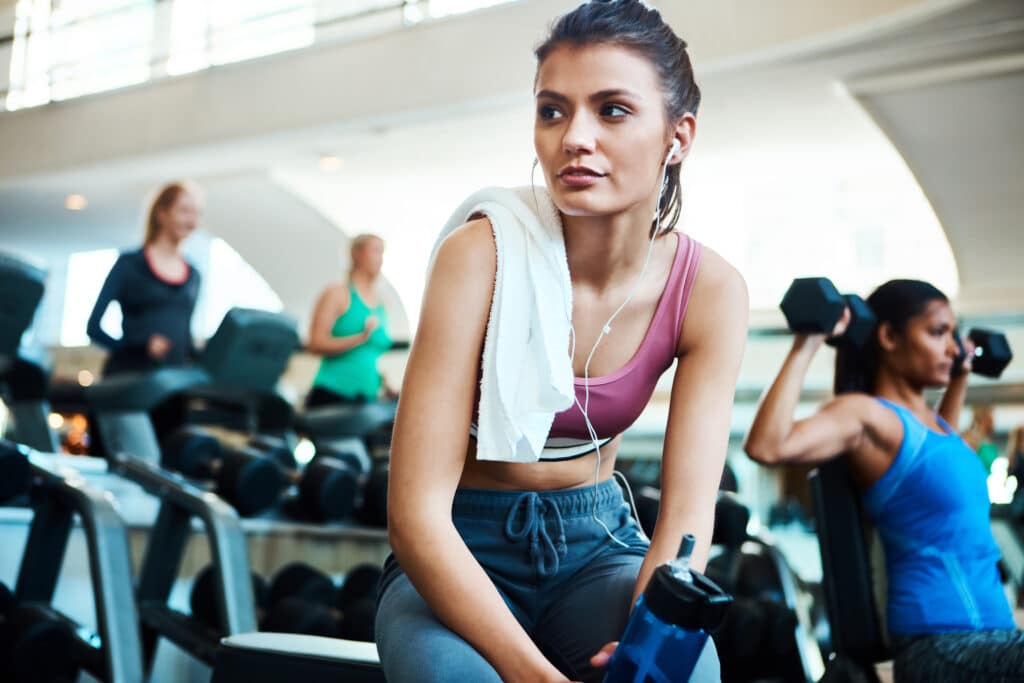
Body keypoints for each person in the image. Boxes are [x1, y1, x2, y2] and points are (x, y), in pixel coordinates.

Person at [376, 2, 748, 682]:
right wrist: (534, 674)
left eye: (611, 110)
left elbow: (689, 515)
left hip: (599, 545)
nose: (575, 136)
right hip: (459, 546)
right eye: (553, 111)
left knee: (685, 672)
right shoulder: (479, 255)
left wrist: (647, 635)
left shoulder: (711, 290)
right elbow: (414, 516)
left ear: (678, 135)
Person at [744, 279, 1022, 683]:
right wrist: (808, 341)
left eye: (954, 334)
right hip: (942, 644)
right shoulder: (870, 416)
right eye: (937, 332)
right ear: (889, 336)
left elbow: (944, 459)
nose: (952, 346)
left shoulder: (936, 427)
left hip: (994, 634)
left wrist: (960, 375)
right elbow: (767, 446)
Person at [87, 181, 201, 377]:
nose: (192, 221)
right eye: (184, 211)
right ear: (162, 214)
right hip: (130, 379)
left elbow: (186, 338)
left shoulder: (194, 275)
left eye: (197, 213)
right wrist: (138, 348)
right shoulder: (129, 265)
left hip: (173, 384)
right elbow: (93, 328)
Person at [305, 234, 392, 408]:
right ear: (356, 254)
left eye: (382, 252)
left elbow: (366, 357)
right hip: (333, 394)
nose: (380, 259)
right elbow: (315, 343)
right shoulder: (337, 293)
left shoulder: (381, 303)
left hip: (367, 397)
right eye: (375, 251)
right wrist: (360, 337)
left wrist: (383, 382)